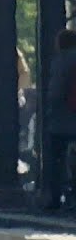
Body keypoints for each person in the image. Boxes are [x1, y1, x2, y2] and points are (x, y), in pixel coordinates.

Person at [45, 29, 76, 209]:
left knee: (57, 159)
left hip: (63, 121)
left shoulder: (61, 61)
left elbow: (55, 92)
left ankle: (55, 198)